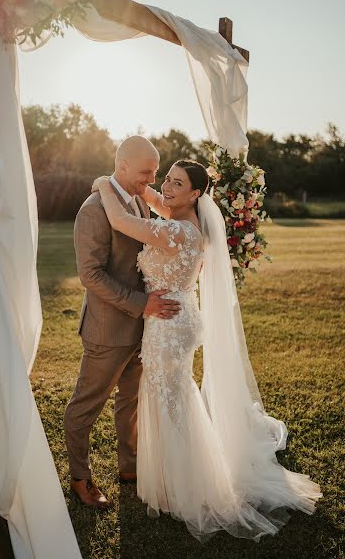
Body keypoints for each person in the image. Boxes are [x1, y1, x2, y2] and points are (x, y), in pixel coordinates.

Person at [92, 159, 321, 541]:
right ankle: (172, 479)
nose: (166, 186)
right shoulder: (183, 217)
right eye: (166, 178)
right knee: (172, 397)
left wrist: (104, 183)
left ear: (196, 194)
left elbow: (122, 222)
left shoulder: (180, 231)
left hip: (169, 323)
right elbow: (158, 200)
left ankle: (188, 488)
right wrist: (141, 184)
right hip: (173, 317)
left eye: (177, 183)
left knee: (169, 400)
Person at [64, 136, 181, 510]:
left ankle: (128, 467)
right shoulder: (94, 209)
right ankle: (80, 478)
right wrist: (141, 304)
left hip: (142, 329)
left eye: (155, 172)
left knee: (129, 402)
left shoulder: (136, 199)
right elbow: (91, 275)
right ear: (123, 165)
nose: (151, 179)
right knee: (85, 406)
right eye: (146, 171)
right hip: (108, 330)